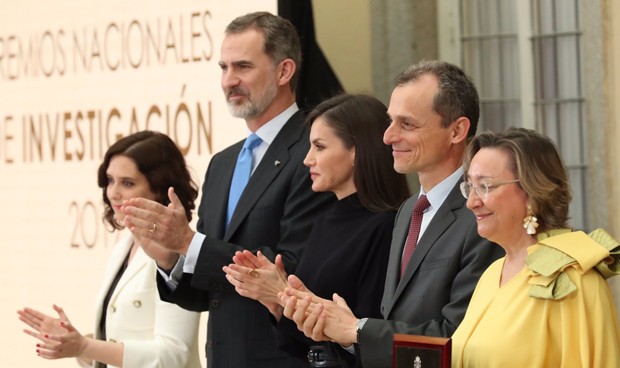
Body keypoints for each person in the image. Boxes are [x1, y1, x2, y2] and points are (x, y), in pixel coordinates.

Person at [120, 11, 335, 368]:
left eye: (243, 67)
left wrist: (189, 243)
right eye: (223, 67)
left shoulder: (313, 151)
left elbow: (293, 265)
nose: (228, 80)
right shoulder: (223, 163)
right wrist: (169, 258)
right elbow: (208, 292)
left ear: (284, 71)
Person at [278, 60, 505, 368]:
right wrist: (339, 329)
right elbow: (391, 323)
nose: (387, 137)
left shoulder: (482, 214)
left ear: (457, 131)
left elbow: (458, 337)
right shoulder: (408, 211)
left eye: (407, 124)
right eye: (390, 122)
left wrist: (356, 329)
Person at [222, 93, 410, 367]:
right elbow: (303, 343)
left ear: (357, 150)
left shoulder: (385, 226)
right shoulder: (325, 219)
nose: (307, 159)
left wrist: (282, 293)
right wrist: (275, 302)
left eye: (319, 147)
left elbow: (369, 331)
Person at [17, 131, 202, 368]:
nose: (113, 193)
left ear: (159, 188)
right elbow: (115, 346)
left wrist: (85, 346)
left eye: (127, 183)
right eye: (110, 180)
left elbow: (173, 356)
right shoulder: (123, 248)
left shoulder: (179, 255)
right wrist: (74, 342)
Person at [450, 127, 620, 367]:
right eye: (469, 187)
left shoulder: (573, 279)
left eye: (485, 186)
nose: (471, 202)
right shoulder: (491, 274)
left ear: (531, 191)